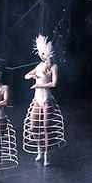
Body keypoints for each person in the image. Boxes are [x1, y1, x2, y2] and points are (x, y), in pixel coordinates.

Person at [22, 35, 65, 165]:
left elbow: (54, 83)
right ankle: (40, 148)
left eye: (44, 54)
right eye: (41, 54)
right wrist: (31, 76)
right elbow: (26, 75)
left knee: (46, 127)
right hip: (37, 99)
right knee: (33, 127)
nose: (42, 57)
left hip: (46, 99)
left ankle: (47, 154)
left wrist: (39, 84)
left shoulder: (53, 67)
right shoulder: (39, 66)